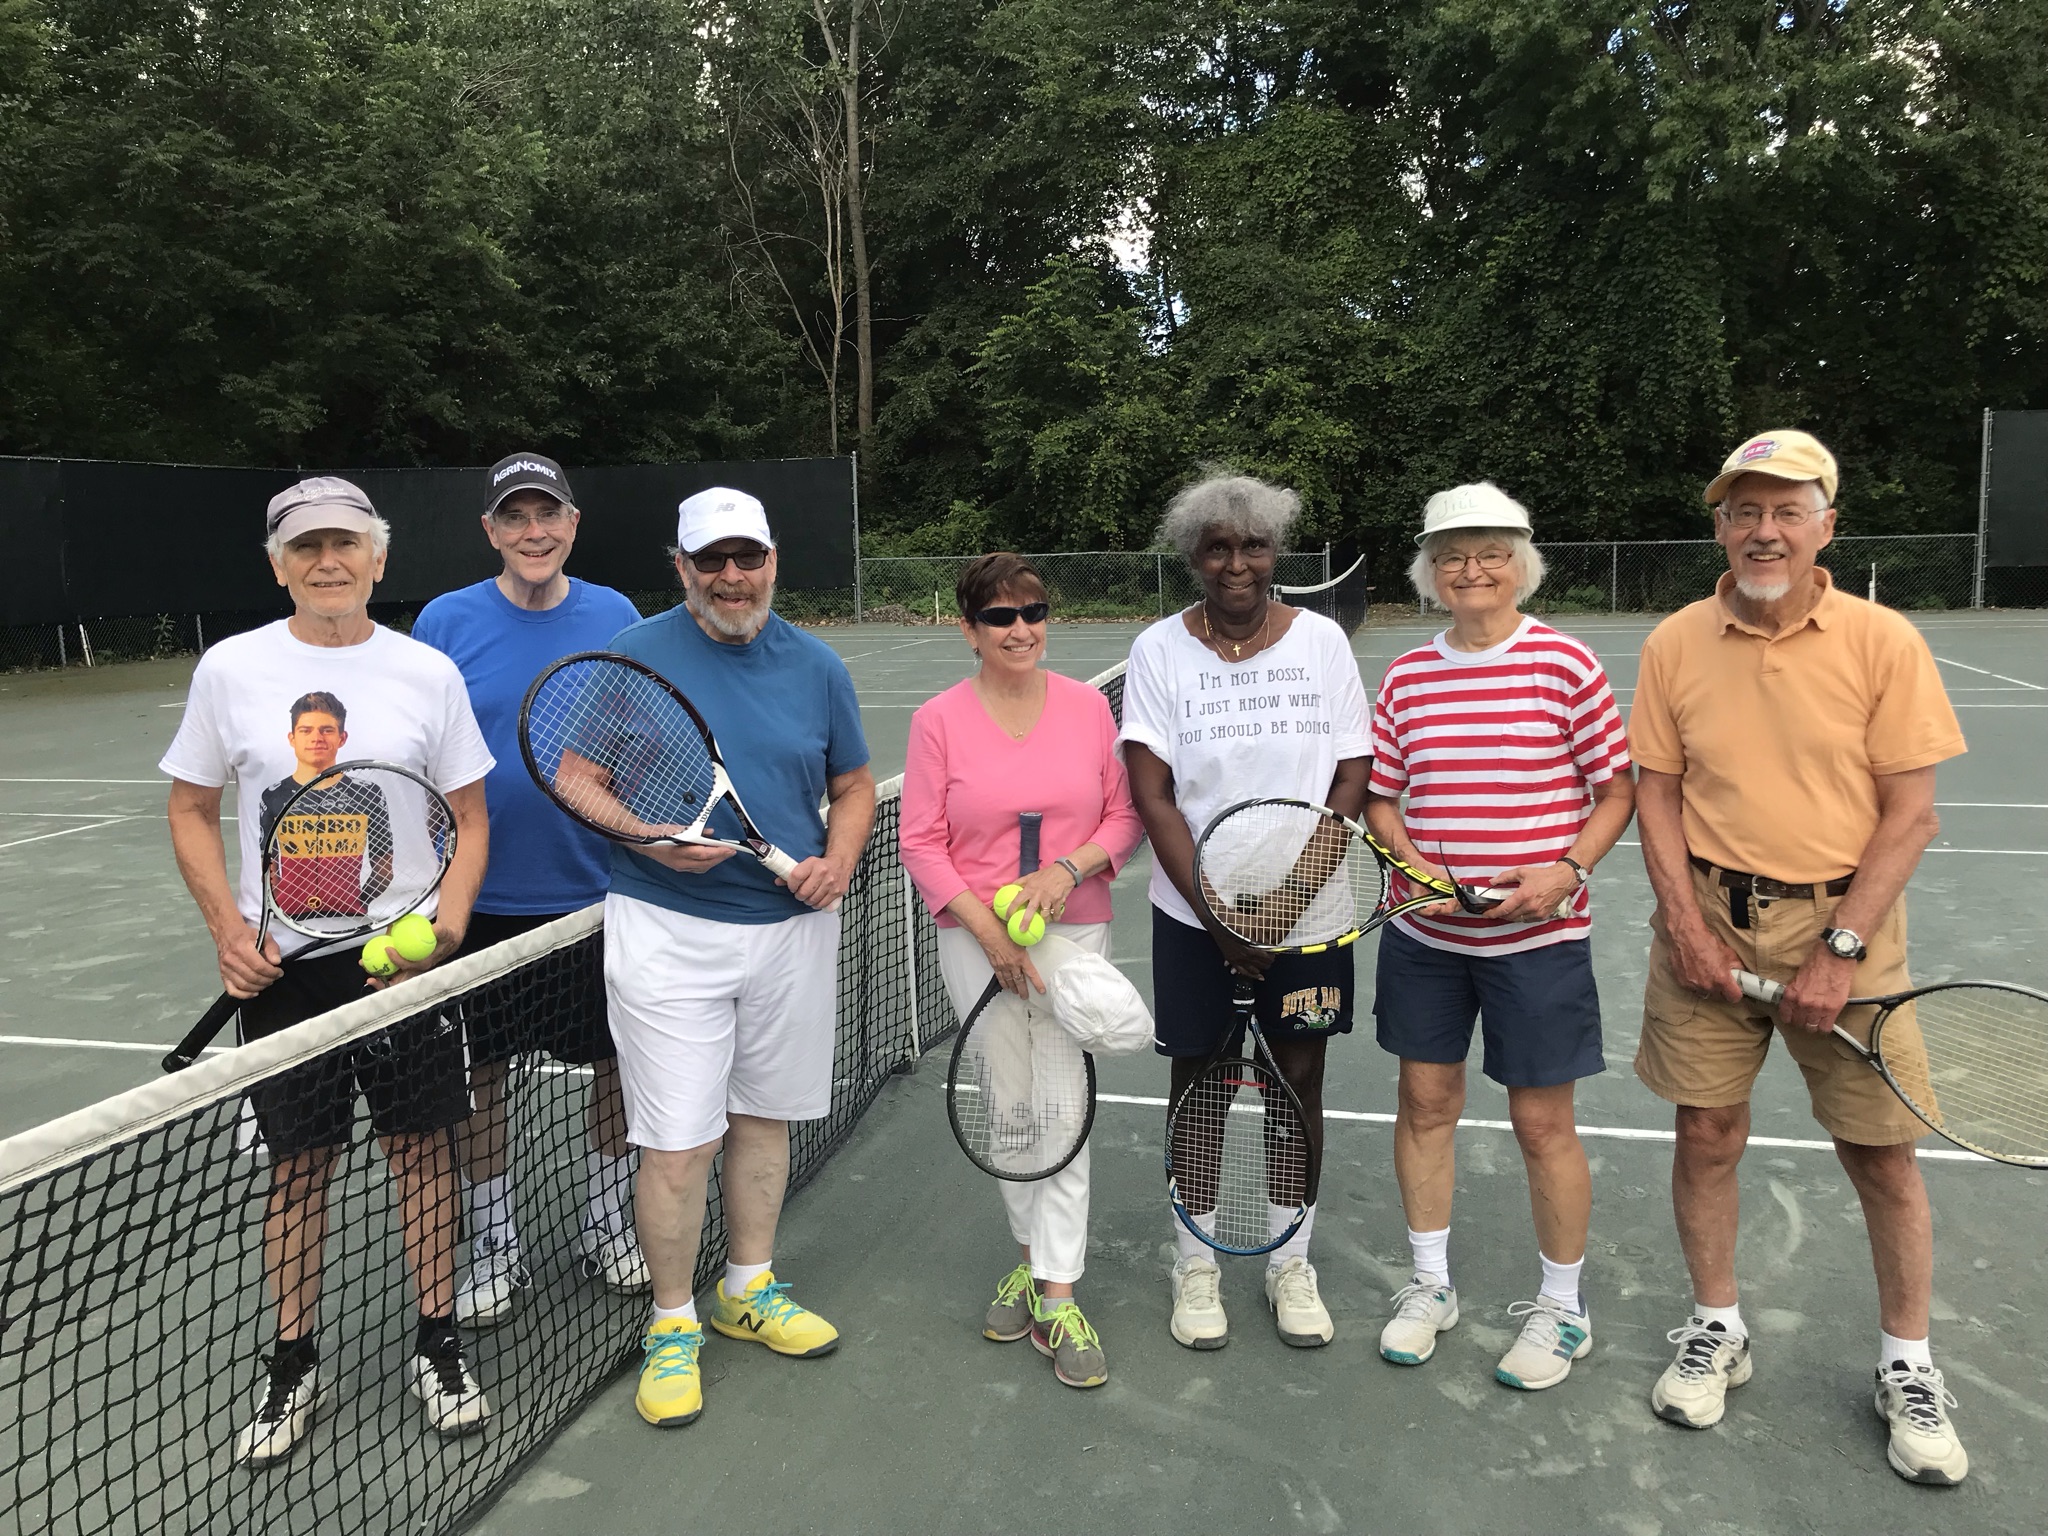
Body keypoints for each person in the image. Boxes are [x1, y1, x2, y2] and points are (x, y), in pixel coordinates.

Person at [1630, 430, 1970, 1483]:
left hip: (1846, 933)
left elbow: (1909, 815)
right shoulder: (1673, 642)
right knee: (1706, 1131)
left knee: (1879, 1155)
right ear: (1719, 527)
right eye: (1742, 512)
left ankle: (1906, 1365)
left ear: (1825, 523)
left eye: (1784, 511)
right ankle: (1715, 1328)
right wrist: (1684, 924)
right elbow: (1654, 791)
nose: (1761, 531)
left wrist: (1838, 951)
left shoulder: (1881, 640)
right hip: (1707, 918)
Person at [161, 477, 495, 1463]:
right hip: (285, 979)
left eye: (345, 543)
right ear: (278, 565)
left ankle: (438, 1341)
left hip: (402, 968)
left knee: (422, 1158)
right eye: (305, 547)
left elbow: (470, 822)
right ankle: (293, 1358)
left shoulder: (427, 673)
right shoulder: (231, 670)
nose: (327, 561)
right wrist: (229, 927)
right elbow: (188, 809)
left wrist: (447, 930)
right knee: (297, 1172)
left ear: (377, 558)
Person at [597, 487, 875, 1429]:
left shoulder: (818, 664)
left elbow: (853, 783)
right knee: (678, 1141)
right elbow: (575, 775)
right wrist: (646, 839)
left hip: (793, 934)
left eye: (745, 557)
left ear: (771, 560)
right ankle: (673, 1324)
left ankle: (746, 1288)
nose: (730, 577)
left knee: (764, 1120)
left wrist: (840, 857)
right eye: (709, 560)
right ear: (680, 569)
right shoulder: (632, 656)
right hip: (667, 930)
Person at [1362, 483, 1634, 1389]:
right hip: (1427, 942)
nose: (1470, 570)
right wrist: (1415, 870)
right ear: (1430, 572)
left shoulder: (1565, 664)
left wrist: (1568, 872)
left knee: (1541, 1124)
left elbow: (1618, 789)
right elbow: (1384, 797)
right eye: (1451, 556)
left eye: (1488, 553)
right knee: (1425, 1106)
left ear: (1521, 562)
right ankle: (1431, 1286)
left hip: (1540, 945)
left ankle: (1563, 1310)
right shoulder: (1406, 676)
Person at [1119, 471, 1370, 1351]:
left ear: (1275, 555)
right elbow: (1151, 793)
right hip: (1194, 921)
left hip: (1312, 917)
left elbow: (1351, 776)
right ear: (1193, 556)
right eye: (1219, 546)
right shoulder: (1157, 651)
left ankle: (1289, 1260)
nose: (1237, 562)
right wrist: (1219, 914)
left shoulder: (1324, 646)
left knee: (1299, 1086)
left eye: (1253, 545)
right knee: (1202, 1087)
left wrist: (1286, 903)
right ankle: (1195, 1264)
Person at [411, 453, 647, 1328]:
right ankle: (496, 1241)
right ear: (491, 532)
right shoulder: (444, 621)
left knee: (616, 1065)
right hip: (481, 899)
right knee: (482, 1073)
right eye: (515, 517)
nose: (533, 532)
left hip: (598, 892)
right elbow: (418, 754)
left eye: (548, 515)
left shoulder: (617, 615)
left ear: (573, 524)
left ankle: (605, 1218)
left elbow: (638, 733)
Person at [899, 553, 1146, 1389]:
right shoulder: (938, 720)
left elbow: (1123, 817)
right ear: (969, 629)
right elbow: (922, 842)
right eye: (1000, 616)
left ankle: (1060, 1292)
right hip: (976, 942)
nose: (1021, 629)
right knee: (1010, 1111)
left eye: (1033, 612)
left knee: (1063, 1110)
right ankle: (1033, 1260)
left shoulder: (1086, 710)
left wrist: (1067, 872)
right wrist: (987, 930)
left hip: (1074, 938)